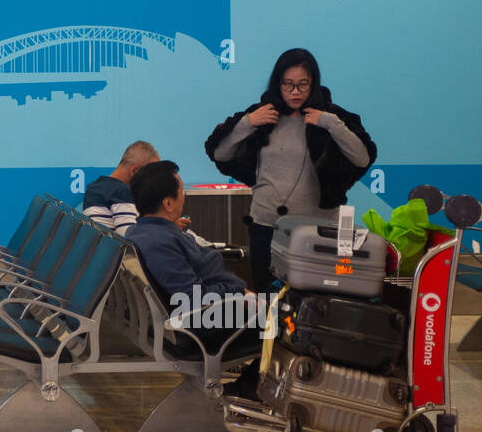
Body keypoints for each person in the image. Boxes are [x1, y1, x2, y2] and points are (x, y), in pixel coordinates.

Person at [205, 48, 376, 293]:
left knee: (313, 303)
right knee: (269, 299)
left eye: (303, 85)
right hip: (266, 226)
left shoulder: (331, 116)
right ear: (278, 83)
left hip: (317, 231)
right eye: (288, 85)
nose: (295, 92)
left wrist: (329, 123)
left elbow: (361, 158)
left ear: (314, 84)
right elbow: (220, 153)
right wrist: (248, 123)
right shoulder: (263, 113)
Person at [125, 160, 262, 393]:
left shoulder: (142, 231)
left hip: (196, 315)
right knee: (290, 323)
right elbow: (193, 298)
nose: (184, 197)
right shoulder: (161, 242)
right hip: (199, 327)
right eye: (181, 192)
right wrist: (238, 293)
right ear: (168, 203)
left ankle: (250, 389)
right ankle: (249, 392)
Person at [82, 141, 159, 234]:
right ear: (134, 170)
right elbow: (131, 239)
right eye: (149, 175)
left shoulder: (93, 188)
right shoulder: (122, 193)